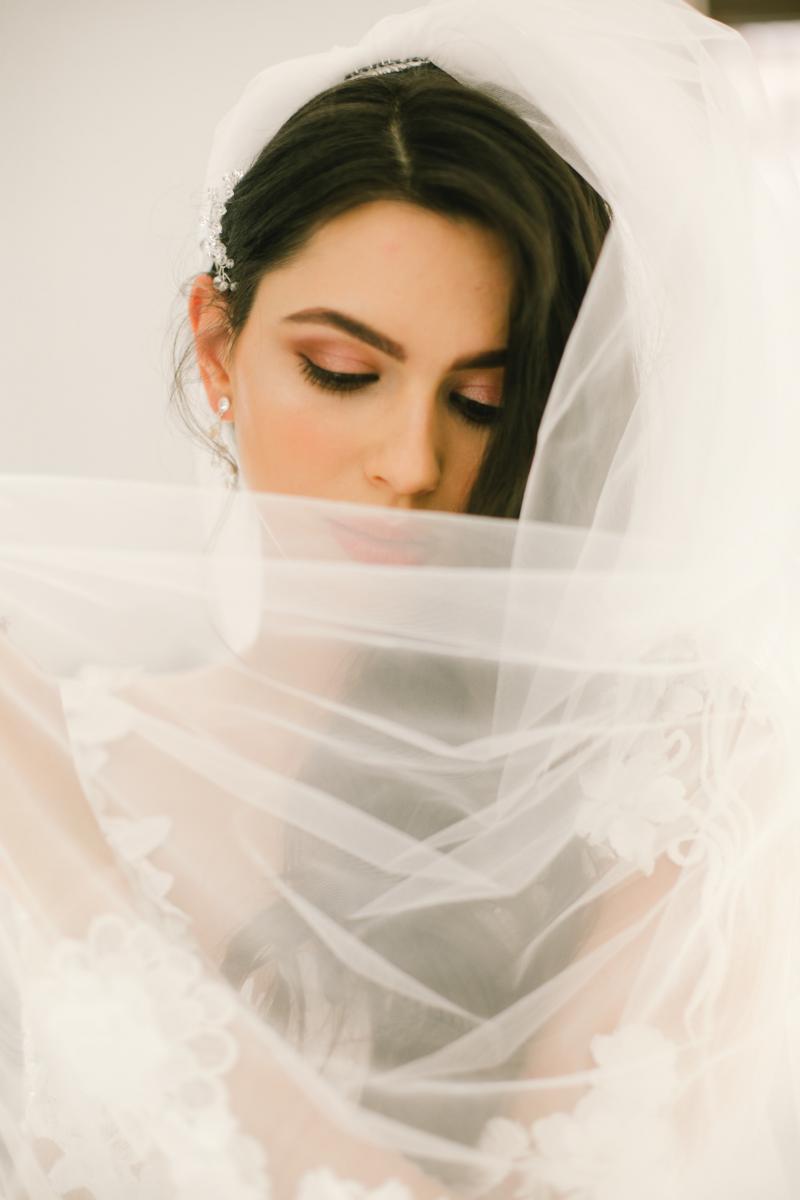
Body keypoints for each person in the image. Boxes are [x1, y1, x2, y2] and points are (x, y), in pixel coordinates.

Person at [1, 0, 800, 1197]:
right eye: (341, 373)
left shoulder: (670, 784)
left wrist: (62, 853)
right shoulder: (55, 734)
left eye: (480, 400)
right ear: (217, 352)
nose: (409, 464)